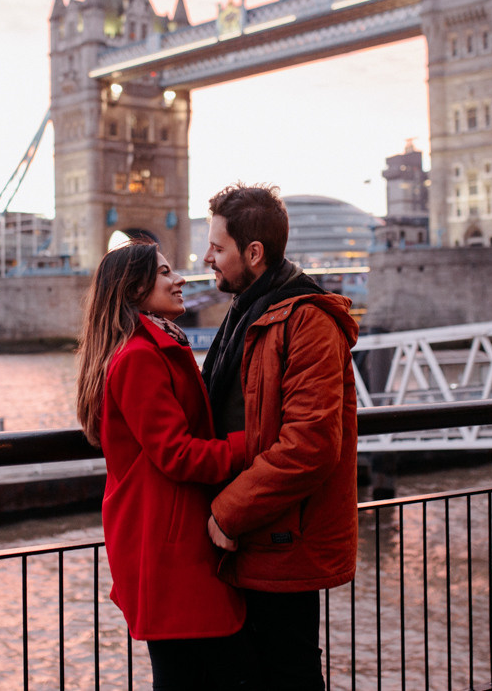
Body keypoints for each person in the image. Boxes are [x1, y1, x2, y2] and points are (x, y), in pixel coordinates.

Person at [201, 183, 360, 691]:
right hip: (247, 536)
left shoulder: (308, 320)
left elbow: (310, 444)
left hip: (279, 536)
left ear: (254, 253)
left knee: (288, 673)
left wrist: (226, 511)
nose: (206, 259)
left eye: (218, 248)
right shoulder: (248, 311)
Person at [75, 240, 252, 690]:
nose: (180, 280)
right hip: (167, 543)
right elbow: (177, 453)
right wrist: (251, 446)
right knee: (189, 675)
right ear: (135, 290)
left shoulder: (156, 346)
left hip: (169, 534)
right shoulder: (139, 358)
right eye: (166, 273)